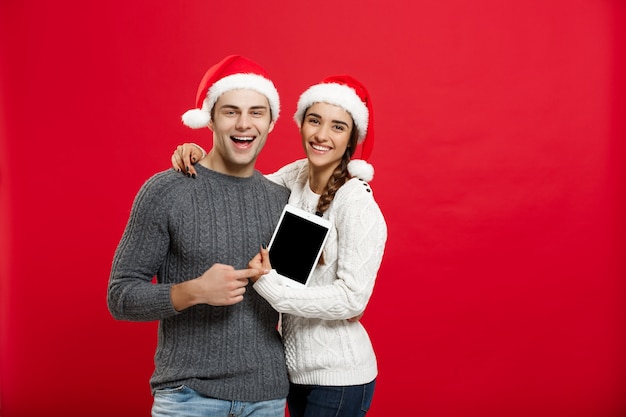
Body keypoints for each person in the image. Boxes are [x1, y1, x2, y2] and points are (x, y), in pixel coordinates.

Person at [172, 75, 388, 417]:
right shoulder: (296, 176)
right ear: (300, 124)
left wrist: (269, 286)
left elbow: (352, 299)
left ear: (351, 139)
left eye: (337, 127)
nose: (321, 135)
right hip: (294, 374)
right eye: (314, 121)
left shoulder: (355, 202)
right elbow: (241, 185)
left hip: (340, 377)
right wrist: (202, 155)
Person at [107, 55, 291, 417]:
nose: (244, 124)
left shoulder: (282, 198)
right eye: (230, 111)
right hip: (188, 397)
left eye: (256, 112)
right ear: (210, 117)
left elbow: (302, 293)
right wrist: (194, 291)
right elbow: (120, 295)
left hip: (267, 397)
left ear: (271, 122)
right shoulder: (167, 191)